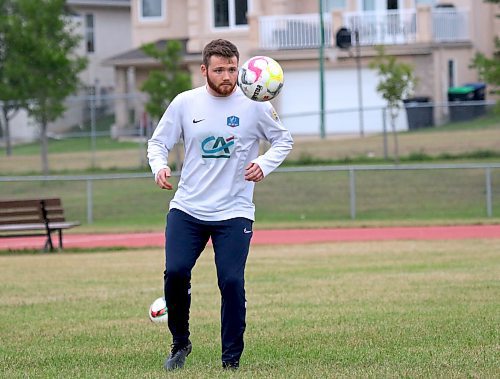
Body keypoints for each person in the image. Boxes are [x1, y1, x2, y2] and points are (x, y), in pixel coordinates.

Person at [147, 38, 293, 371]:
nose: (227, 76)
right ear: (204, 71)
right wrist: (160, 166)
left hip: (234, 211)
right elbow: (158, 143)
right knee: (176, 273)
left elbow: (284, 139)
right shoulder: (186, 103)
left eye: (231, 69)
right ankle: (180, 344)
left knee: (230, 281)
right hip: (188, 209)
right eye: (219, 70)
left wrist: (265, 164)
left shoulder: (255, 104)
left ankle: (231, 361)